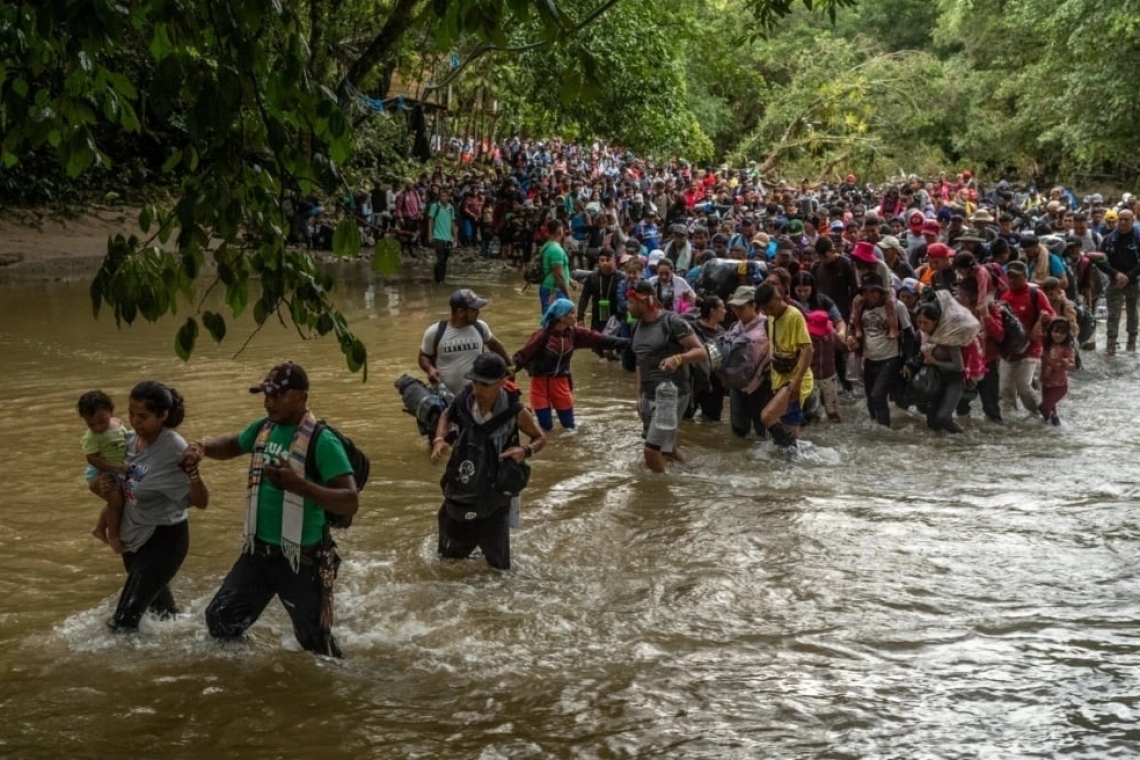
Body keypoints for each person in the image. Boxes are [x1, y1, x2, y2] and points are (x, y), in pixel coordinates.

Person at [181, 362, 359, 657]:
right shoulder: (265, 428)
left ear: (301, 397)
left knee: (317, 646)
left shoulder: (322, 440)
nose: (268, 402)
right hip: (259, 552)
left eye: (277, 396)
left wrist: (298, 485)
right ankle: (248, 681)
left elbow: (349, 499)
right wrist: (201, 447)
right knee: (221, 619)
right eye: (266, 395)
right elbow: (233, 444)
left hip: (300, 557)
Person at [90, 381, 209, 632]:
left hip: (163, 540)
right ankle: (185, 655)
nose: (134, 421)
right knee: (165, 618)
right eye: (131, 413)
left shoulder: (173, 449)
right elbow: (118, 488)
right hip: (133, 539)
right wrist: (98, 486)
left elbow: (200, 502)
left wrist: (194, 474)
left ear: (163, 415)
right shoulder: (128, 441)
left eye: (143, 416)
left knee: (122, 623)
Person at [430, 354, 545, 570]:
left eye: (485, 384)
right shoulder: (464, 401)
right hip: (464, 484)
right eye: (474, 382)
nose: (477, 389)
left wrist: (525, 450)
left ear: (502, 382)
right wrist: (439, 439)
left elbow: (540, 438)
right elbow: (446, 415)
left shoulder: (515, 411)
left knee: (499, 568)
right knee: (447, 560)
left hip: (495, 492)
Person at [512, 298, 630, 430]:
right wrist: (506, 375)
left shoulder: (574, 333)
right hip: (539, 384)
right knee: (546, 427)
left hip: (561, 383)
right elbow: (522, 357)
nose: (576, 316)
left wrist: (629, 343)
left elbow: (600, 339)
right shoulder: (541, 336)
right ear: (562, 317)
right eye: (572, 313)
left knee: (569, 427)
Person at [627, 279, 707, 473]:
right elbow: (640, 361)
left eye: (630, 302)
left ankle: (659, 497)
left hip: (672, 395)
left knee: (651, 451)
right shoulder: (636, 326)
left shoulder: (673, 322)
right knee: (666, 447)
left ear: (644, 301)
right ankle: (693, 475)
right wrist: (638, 396)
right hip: (649, 395)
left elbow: (701, 352)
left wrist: (677, 359)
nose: (627, 306)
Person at [419, 289, 512, 397]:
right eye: (474, 309)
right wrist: (430, 369)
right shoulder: (435, 332)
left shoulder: (480, 327)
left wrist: (510, 367)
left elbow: (495, 345)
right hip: (445, 397)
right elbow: (423, 356)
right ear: (460, 312)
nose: (478, 312)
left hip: (475, 397)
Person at [754, 282, 814, 450]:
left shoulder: (793, 315)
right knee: (790, 433)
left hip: (794, 379)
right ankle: (793, 462)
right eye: (764, 310)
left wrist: (797, 381)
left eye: (770, 308)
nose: (768, 312)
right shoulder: (771, 319)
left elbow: (808, 349)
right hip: (780, 379)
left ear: (778, 298)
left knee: (767, 417)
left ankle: (790, 454)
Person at [849, 273, 911, 427]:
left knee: (878, 395)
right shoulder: (860, 307)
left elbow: (909, 335)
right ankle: (875, 432)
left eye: (873, 292)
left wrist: (909, 361)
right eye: (865, 292)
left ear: (881, 292)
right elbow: (852, 327)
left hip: (891, 358)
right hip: (870, 358)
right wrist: (852, 339)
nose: (869, 296)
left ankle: (886, 432)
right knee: (870, 398)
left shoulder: (897, 307)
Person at [999, 261, 1055, 416]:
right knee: (1005, 389)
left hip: (1031, 347)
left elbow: (1051, 315)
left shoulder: (1035, 294)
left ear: (1025, 276)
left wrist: (1044, 318)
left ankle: (1040, 412)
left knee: (1023, 386)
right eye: (1009, 276)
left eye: (1016, 277)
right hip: (1008, 349)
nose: (1012, 280)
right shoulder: (1004, 294)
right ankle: (1009, 422)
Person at [78, 390, 129, 554]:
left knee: (124, 498)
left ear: (111, 412)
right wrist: (113, 468)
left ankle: (99, 528)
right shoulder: (92, 437)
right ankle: (112, 535)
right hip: (102, 472)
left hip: (121, 469)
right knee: (117, 502)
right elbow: (92, 459)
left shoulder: (118, 424)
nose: (97, 427)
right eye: (91, 424)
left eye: (102, 421)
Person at [725, 285, 771, 438]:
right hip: (738, 384)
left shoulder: (768, 325)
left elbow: (774, 354)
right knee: (738, 429)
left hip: (761, 385)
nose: (737, 312)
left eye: (741, 308)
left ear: (754, 305)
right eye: (735, 308)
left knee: (762, 429)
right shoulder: (735, 327)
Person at [1096, 208, 1140, 355]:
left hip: (1133, 281)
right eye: (1120, 219)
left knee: (1132, 311)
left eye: (1126, 219)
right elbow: (1100, 261)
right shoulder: (1109, 239)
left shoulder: (1138, 237)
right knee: (1113, 314)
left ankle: (1132, 342)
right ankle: (1111, 344)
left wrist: (1129, 276)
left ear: (1132, 221)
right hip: (1114, 280)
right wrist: (1116, 274)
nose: (1123, 222)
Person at [1039, 317, 1076, 425]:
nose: (1058, 335)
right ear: (1051, 331)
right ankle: (1052, 432)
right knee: (1047, 413)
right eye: (1056, 331)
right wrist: (1040, 319)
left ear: (1066, 335)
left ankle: (1057, 424)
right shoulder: (1046, 344)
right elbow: (1035, 334)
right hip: (1046, 382)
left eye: (1062, 333)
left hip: (1060, 385)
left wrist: (1066, 363)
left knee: (1043, 407)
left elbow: (1072, 366)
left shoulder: (1067, 348)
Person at [538, 219, 576, 312]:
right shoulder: (556, 249)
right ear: (560, 231)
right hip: (554, 290)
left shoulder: (547, 245)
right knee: (554, 321)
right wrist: (568, 297)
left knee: (553, 320)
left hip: (550, 288)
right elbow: (558, 275)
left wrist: (570, 280)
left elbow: (554, 269)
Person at [427, 187, 458, 283]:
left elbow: (452, 222)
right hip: (437, 236)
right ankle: (438, 281)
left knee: (444, 260)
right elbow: (430, 220)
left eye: (445, 196)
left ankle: (442, 279)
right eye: (441, 196)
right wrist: (430, 235)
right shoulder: (435, 206)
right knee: (440, 258)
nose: (443, 198)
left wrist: (455, 237)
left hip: (448, 237)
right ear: (439, 197)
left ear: (448, 197)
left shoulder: (451, 208)